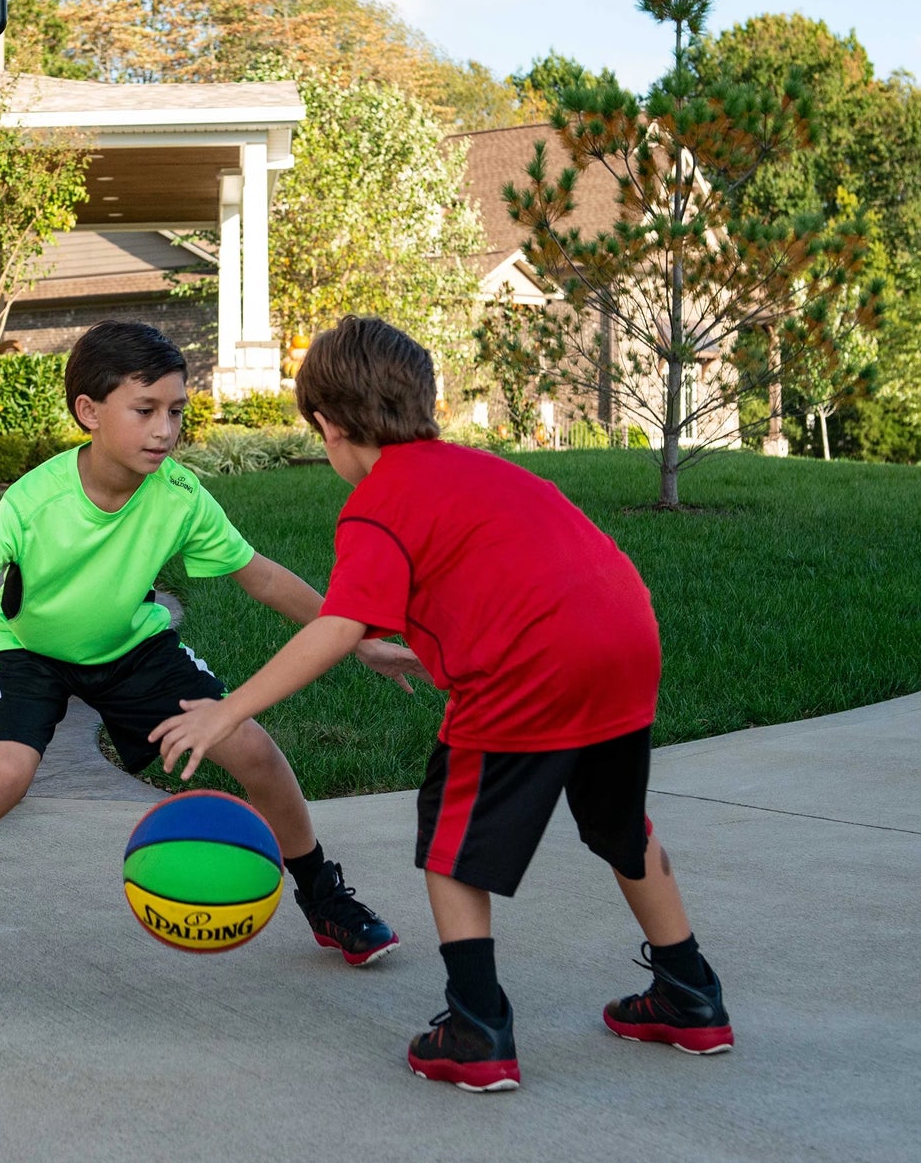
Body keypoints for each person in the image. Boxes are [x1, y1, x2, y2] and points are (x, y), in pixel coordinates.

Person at [151, 315, 734, 1092]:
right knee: (619, 826)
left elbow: (334, 624)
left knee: (449, 841)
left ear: (325, 423)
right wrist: (410, 644)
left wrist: (226, 711)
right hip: (626, 643)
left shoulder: (377, 500)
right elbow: (504, 569)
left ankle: (475, 1026)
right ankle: (689, 991)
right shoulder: (478, 468)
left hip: (530, 670)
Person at [0, 320, 410, 1001]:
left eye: (175, 411)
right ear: (89, 412)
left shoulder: (178, 496)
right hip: (34, 653)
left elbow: (258, 573)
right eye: (144, 410)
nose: (164, 429)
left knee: (252, 748)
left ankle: (322, 893)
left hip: (131, 648)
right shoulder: (36, 498)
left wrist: (356, 635)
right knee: (1, 775)